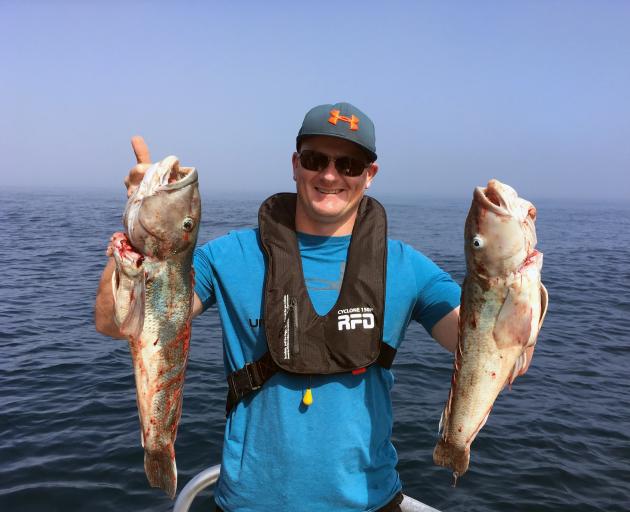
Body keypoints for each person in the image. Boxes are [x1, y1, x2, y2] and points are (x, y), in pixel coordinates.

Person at [95, 102, 463, 512]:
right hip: (250, 503)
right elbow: (116, 322)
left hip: (372, 502)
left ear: (369, 175)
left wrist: (506, 275)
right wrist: (139, 227)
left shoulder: (407, 267)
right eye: (315, 159)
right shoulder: (227, 256)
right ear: (295, 165)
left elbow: (482, 341)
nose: (329, 175)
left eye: (349, 165)